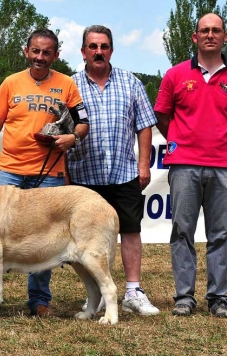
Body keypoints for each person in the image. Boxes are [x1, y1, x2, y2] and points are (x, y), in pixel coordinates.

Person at [0, 29, 89, 317]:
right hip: (9, 171)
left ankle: (39, 300)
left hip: (48, 173)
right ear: (26, 51)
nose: (40, 57)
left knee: (43, 239)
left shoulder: (67, 85)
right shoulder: (11, 83)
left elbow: (83, 123)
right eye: (35, 51)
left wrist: (73, 138)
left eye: (46, 52)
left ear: (56, 55)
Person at [154, 13, 227, 318]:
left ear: (224, 37)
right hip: (184, 165)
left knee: (220, 234)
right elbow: (162, 115)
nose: (210, 35)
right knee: (182, 232)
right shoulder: (175, 75)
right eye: (205, 30)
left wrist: (225, 142)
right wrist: (178, 138)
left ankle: (219, 298)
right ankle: (184, 297)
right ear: (195, 37)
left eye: (216, 30)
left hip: (223, 167)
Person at [67, 25, 160, 316]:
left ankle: (133, 291)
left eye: (104, 46)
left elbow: (145, 125)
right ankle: (94, 296)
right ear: (83, 51)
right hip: (83, 175)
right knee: (84, 239)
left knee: (131, 230)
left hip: (124, 173)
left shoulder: (131, 82)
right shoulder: (70, 85)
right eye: (92, 46)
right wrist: (65, 175)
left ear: (111, 50)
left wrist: (143, 164)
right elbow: (62, 131)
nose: (98, 51)